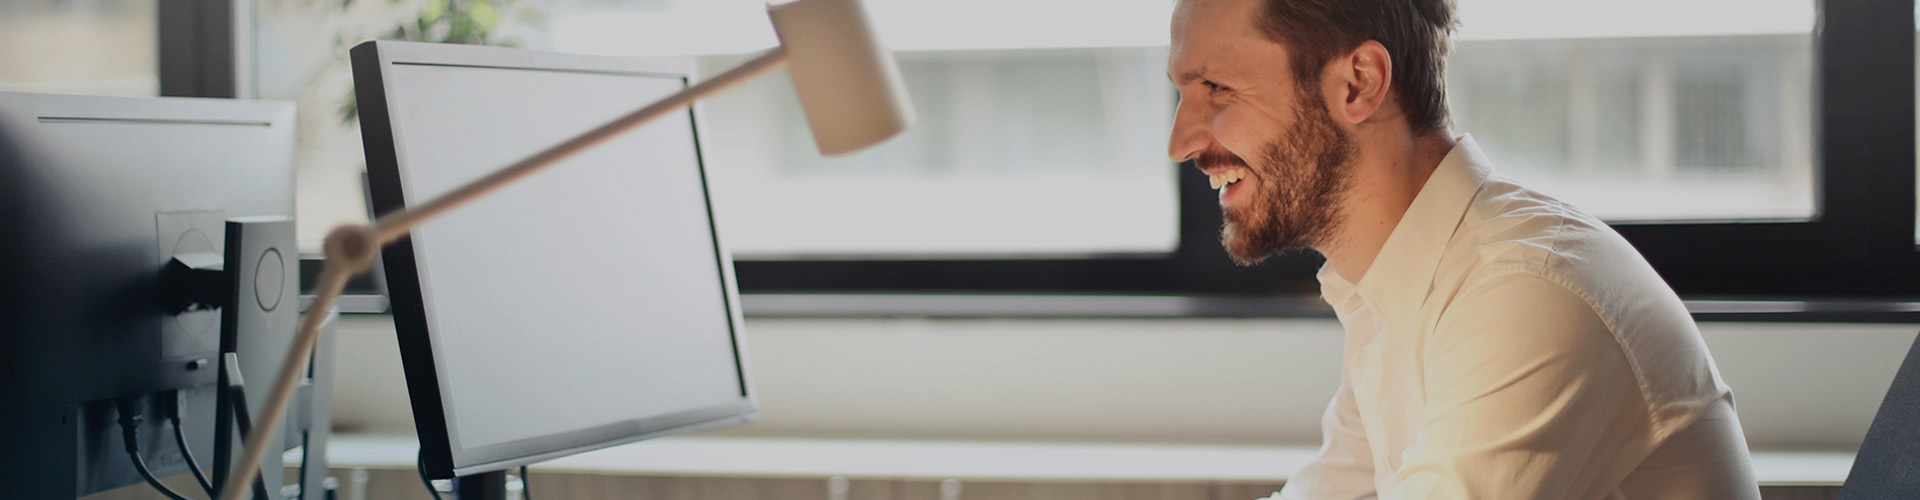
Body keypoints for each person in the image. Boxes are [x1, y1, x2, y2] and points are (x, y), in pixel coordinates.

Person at [1164, 0, 1761, 498]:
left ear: (1359, 83)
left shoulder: (1527, 293)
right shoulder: (1393, 285)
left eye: (1216, 87)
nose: (1179, 143)